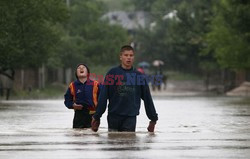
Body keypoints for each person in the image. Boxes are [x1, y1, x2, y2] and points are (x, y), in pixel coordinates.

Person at [91, 45, 158, 132]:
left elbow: (147, 98)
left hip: (130, 117)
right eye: (126, 55)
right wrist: (97, 116)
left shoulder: (139, 76)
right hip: (113, 116)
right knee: (113, 142)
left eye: (131, 55)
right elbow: (103, 96)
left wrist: (153, 119)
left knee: (129, 142)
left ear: (133, 57)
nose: (128, 58)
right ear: (121, 57)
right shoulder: (112, 73)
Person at [64, 63, 101, 128]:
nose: (81, 68)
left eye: (83, 67)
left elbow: (102, 99)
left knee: (93, 136)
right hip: (78, 116)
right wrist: (73, 105)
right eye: (79, 68)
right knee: (77, 134)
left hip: (92, 115)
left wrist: (98, 114)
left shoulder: (96, 84)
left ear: (88, 72)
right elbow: (67, 100)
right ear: (76, 73)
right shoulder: (72, 85)